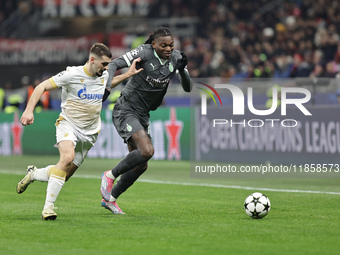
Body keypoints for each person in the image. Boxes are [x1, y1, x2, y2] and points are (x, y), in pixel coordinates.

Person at [16, 43, 143, 220]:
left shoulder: (103, 74)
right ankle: (48, 208)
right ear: (92, 60)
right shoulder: (72, 74)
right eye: (104, 64)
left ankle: (34, 174)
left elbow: (106, 83)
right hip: (68, 124)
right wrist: (29, 110)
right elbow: (41, 87)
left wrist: (126, 75)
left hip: (90, 132)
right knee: (66, 158)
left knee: (63, 175)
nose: (107, 68)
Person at [100, 27, 193, 214]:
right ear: (153, 44)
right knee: (147, 150)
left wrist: (182, 70)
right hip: (126, 108)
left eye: (171, 45)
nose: (168, 48)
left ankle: (110, 199)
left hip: (143, 114)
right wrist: (107, 87)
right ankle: (110, 175)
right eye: (164, 45)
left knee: (141, 164)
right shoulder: (143, 52)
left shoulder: (176, 58)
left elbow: (188, 87)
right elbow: (113, 64)